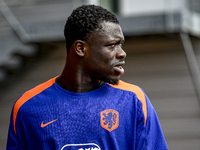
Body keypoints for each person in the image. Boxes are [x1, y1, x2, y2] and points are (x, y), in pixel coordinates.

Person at [6, 4, 168, 150]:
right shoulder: (27, 107)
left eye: (121, 44)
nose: (122, 53)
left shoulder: (134, 100)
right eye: (112, 45)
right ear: (81, 48)